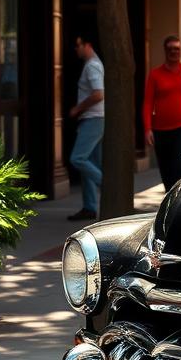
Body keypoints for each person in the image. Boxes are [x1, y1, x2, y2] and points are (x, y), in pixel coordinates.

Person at [142, 35, 181, 191]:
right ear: (165, 50)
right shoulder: (155, 75)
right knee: (166, 171)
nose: (173, 52)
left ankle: (179, 200)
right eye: (170, 48)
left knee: (180, 168)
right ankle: (170, 202)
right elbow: (148, 103)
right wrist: (147, 128)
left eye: (176, 48)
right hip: (161, 130)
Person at [67, 33, 104, 221]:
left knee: (78, 158)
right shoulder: (93, 65)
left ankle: (107, 185)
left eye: (78, 44)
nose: (76, 48)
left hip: (93, 118)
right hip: (94, 118)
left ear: (87, 45)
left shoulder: (92, 66)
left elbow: (98, 94)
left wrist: (77, 109)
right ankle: (89, 207)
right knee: (89, 161)